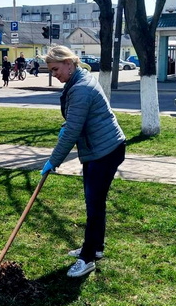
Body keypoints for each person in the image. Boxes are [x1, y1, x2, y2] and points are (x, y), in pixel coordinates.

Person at [41, 46, 126, 278]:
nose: (54, 74)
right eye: (51, 71)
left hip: (104, 151)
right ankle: (95, 247)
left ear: (69, 63)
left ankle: (87, 258)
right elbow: (76, 119)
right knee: (95, 204)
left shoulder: (81, 88)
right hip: (100, 148)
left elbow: (72, 132)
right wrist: (66, 127)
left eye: (56, 69)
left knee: (94, 205)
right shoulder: (79, 79)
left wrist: (53, 161)